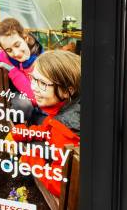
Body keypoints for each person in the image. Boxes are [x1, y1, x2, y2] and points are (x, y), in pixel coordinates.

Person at [8, 49, 81, 198]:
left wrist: (30, 157)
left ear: (67, 91)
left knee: (25, 161)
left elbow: (58, 185)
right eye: (33, 79)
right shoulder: (69, 108)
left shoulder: (65, 130)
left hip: (72, 199)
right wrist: (21, 132)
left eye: (42, 83)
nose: (34, 87)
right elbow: (47, 128)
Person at [0, 18, 42, 107]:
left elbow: (36, 99)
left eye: (17, 45)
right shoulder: (0, 58)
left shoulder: (41, 59)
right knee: (23, 105)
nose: (16, 53)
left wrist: (12, 71)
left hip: (42, 106)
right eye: (9, 50)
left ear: (25, 38)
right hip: (18, 102)